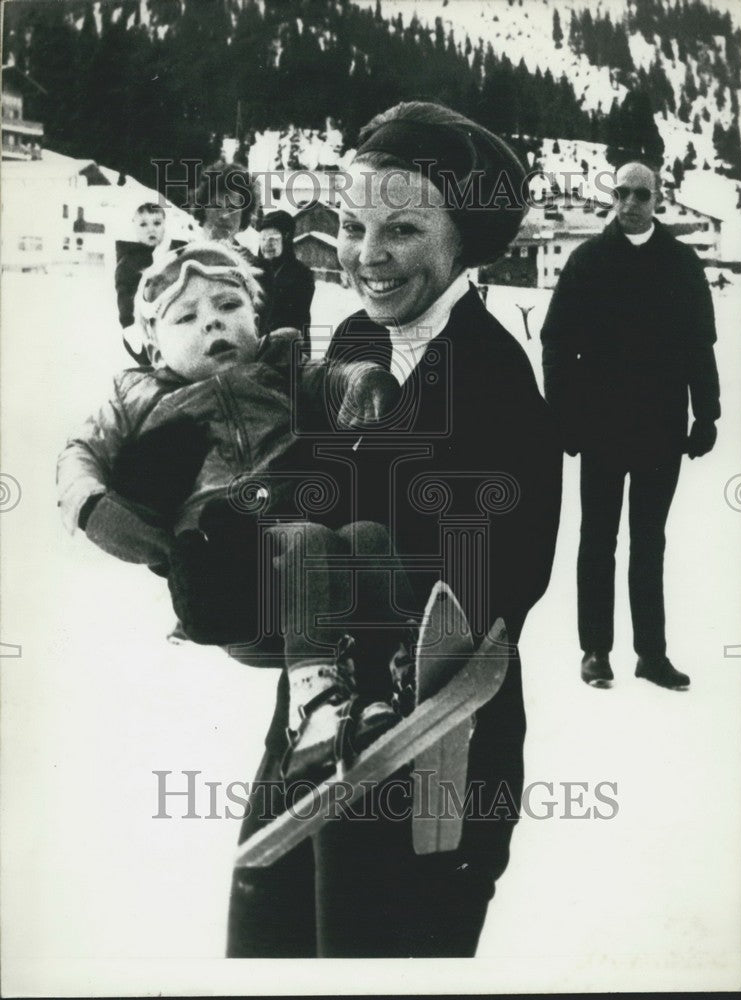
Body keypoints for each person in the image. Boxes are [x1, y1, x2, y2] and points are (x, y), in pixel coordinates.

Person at [223, 101, 563, 958]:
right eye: (351, 223)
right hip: (312, 724)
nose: (366, 255)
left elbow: (505, 583)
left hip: (430, 743)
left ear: (463, 241)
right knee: (269, 948)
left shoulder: (493, 374)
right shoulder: (347, 341)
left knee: (378, 959)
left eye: (403, 229)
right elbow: (299, 500)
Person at [57, 242, 413, 780]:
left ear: (256, 315)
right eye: (187, 317)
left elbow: (330, 377)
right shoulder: (140, 397)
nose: (212, 325)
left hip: (307, 566)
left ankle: (392, 669)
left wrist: (359, 383)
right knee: (308, 540)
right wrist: (89, 502)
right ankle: (313, 703)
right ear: (156, 350)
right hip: (226, 569)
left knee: (366, 534)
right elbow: (83, 450)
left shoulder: (278, 370)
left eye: (228, 307)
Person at [541, 160, 721, 691]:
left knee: (650, 541)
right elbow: (555, 341)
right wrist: (563, 415)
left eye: (641, 193)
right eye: (621, 192)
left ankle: (652, 654)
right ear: (612, 198)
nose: (630, 202)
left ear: (657, 198)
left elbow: (700, 346)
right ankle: (596, 649)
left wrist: (706, 413)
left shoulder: (682, 264)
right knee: (597, 538)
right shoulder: (588, 260)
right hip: (599, 427)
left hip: (661, 428)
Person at [114, 202, 185, 365]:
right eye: (143, 224)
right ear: (135, 227)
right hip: (145, 329)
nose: (151, 229)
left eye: (157, 223)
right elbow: (124, 295)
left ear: (164, 225)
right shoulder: (128, 263)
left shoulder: (177, 251)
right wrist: (129, 327)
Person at [254, 210, 316, 350]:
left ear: (286, 239)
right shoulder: (253, 272)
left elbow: (295, 322)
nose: (267, 244)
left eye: (273, 239)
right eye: (263, 239)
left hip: (287, 350)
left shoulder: (301, 275)